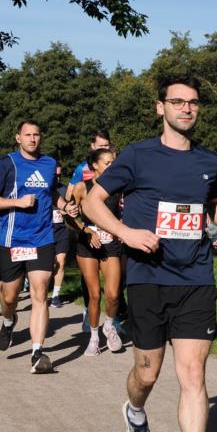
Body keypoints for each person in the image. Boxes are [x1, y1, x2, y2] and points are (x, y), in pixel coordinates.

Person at [84, 74, 217, 432]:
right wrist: (126, 233)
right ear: (160, 108)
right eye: (177, 102)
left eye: (193, 103)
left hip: (196, 280)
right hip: (149, 279)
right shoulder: (137, 155)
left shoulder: (208, 159)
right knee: (147, 374)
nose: (186, 109)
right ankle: (134, 412)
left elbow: (215, 201)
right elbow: (94, 202)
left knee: (192, 375)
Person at [0, 121, 74, 373]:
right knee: (9, 298)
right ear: (18, 138)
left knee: (40, 292)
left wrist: (64, 205)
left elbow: (51, 192)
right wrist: (18, 202)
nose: (33, 139)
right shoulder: (6, 164)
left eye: (36, 134)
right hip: (12, 239)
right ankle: (10, 320)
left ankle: (37, 352)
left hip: (42, 238)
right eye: (27, 135)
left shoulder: (49, 163)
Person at [68, 148, 123, 355]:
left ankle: (109, 325)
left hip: (111, 244)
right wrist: (87, 230)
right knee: (93, 295)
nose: (112, 165)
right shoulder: (83, 187)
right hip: (88, 243)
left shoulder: (119, 187)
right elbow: (69, 217)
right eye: (107, 162)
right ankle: (93, 337)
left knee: (113, 294)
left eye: (113, 162)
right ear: (95, 166)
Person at [66, 128, 112, 328]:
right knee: (91, 281)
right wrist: (76, 216)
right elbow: (71, 196)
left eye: (106, 145)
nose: (104, 148)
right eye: (100, 146)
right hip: (88, 229)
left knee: (115, 283)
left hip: (112, 234)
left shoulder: (114, 167)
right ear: (92, 147)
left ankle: (115, 316)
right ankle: (88, 311)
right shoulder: (81, 169)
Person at [49, 163, 70, 309]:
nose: (57, 178)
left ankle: (55, 296)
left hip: (61, 231)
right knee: (48, 265)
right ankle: (41, 291)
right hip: (44, 232)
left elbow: (72, 209)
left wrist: (66, 211)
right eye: (54, 175)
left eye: (59, 175)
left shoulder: (64, 189)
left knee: (61, 262)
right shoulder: (42, 188)